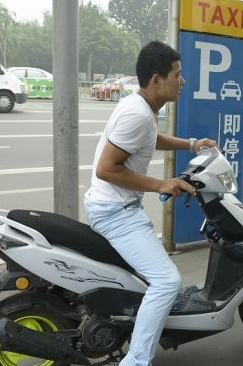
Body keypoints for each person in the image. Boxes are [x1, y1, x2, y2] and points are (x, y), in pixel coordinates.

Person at [83, 41, 216, 366]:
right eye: (177, 75)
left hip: (117, 208)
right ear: (157, 80)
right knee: (167, 281)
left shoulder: (140, 108)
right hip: (115, 213)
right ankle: (136, 361)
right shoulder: (137, 114)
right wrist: (160, 183)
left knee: (150, 279)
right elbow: (106, 168)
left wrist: (191, 144)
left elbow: (149, 138)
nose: (182, 81)